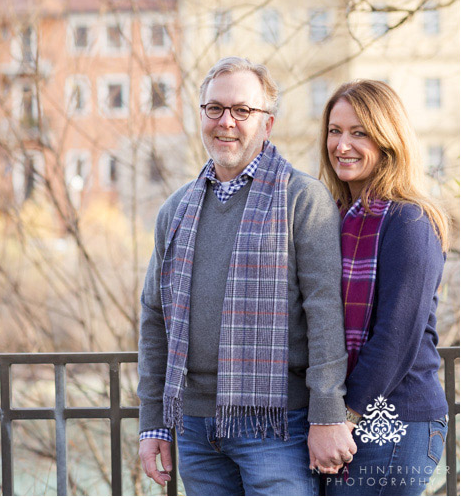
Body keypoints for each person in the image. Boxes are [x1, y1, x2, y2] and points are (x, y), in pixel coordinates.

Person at [138, 57, 356, 496]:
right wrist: (152, 424)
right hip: (195, 428)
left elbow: (325, 314)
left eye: (242, 110)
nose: (226, 122)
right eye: (214, 109)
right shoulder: (175, 211)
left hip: (278, 426)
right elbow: (153, 319)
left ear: (268, 123)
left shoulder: (303, 199)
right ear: (201, 115)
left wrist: (328, 415)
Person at [319, 80, 449, 496]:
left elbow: (395, 336)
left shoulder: (409, 222)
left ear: (388, 141)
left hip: (397, 422)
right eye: (335, 130)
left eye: (359, 133)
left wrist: (343, 418)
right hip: (352, 418)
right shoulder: (337, 219)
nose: (342, 145)